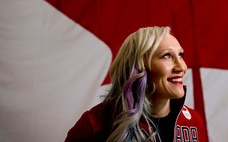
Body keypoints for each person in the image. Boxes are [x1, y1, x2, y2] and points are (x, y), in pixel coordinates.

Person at [65, 26, 207, 142]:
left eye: (181, 55)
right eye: (167, 56)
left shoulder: (194, 122)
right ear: (139, 67)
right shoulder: (95, 124)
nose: (181, 67)